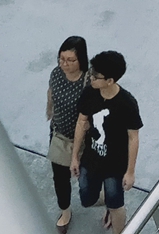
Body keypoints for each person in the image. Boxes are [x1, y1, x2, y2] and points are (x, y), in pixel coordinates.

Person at [71, 50, 143, 233]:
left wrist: (130, 172)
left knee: (116, 204)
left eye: (96, 76)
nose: (91, 78)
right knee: (87, 198)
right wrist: (74, 157)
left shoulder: (127, 104)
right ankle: (110, 203)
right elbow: (81, 122)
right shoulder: (90, 93)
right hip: (91, 159)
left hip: (115, 166)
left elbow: (133, 137)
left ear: (110, 81)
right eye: (91, 72)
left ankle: (115, 212)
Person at [47, 35, 91, 228]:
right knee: (60, 177)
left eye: (70, 60)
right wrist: (49, 108)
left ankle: (110, 205)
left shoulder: (88, 82)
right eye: (61, 59)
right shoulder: (57, 73)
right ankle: (65, 210)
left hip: (86, 140)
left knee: (90, 180)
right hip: (59, 134)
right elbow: (51, 90)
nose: (64, 64)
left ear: (81, 60)